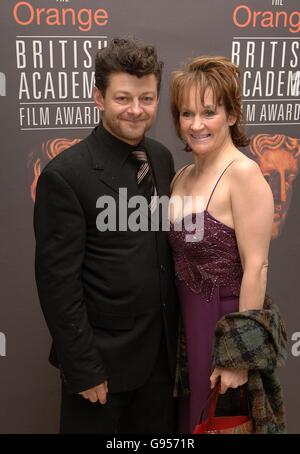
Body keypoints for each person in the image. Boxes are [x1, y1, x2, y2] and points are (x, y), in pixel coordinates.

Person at [34, 37, 179, 434]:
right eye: (123, 98)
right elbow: (57, 285)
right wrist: (83, 369)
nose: (136, 110)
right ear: (98, 97)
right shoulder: (66, 176)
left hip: (162, 366)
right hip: (102, 370)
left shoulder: (162, 158)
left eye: (147, 98)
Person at [168, 56, 275, 433]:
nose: (196, 124)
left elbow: (257, 267)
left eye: (209, 112)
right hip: (186, 329)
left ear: (231, 115)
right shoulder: (180, 177)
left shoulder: (243, 174)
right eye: (186, 113)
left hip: (223, 328)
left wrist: (238, 357)